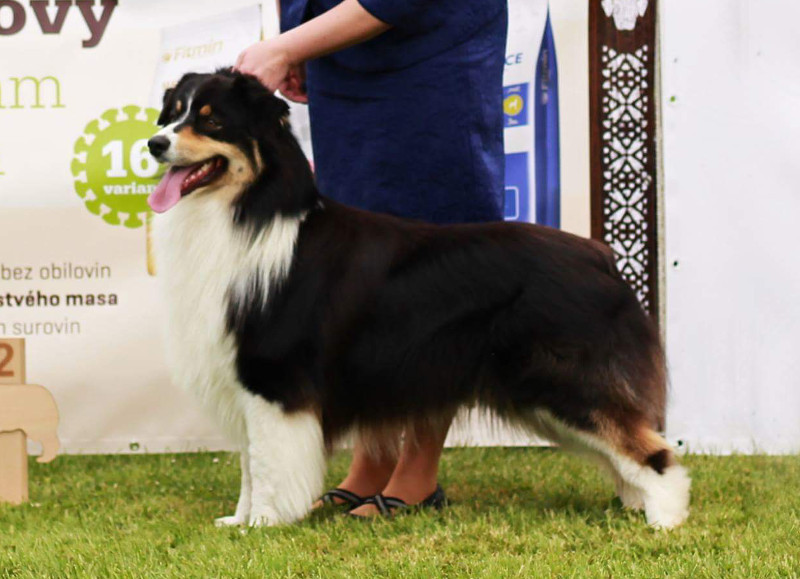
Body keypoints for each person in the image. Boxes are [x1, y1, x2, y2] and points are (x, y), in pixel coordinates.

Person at [236, 0, 508, 517]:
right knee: (358, 269)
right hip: (344, 57)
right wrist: (300, 39)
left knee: (435, 269)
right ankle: (372, 460)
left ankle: (418, 471)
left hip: (432, 57)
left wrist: (287, 46)